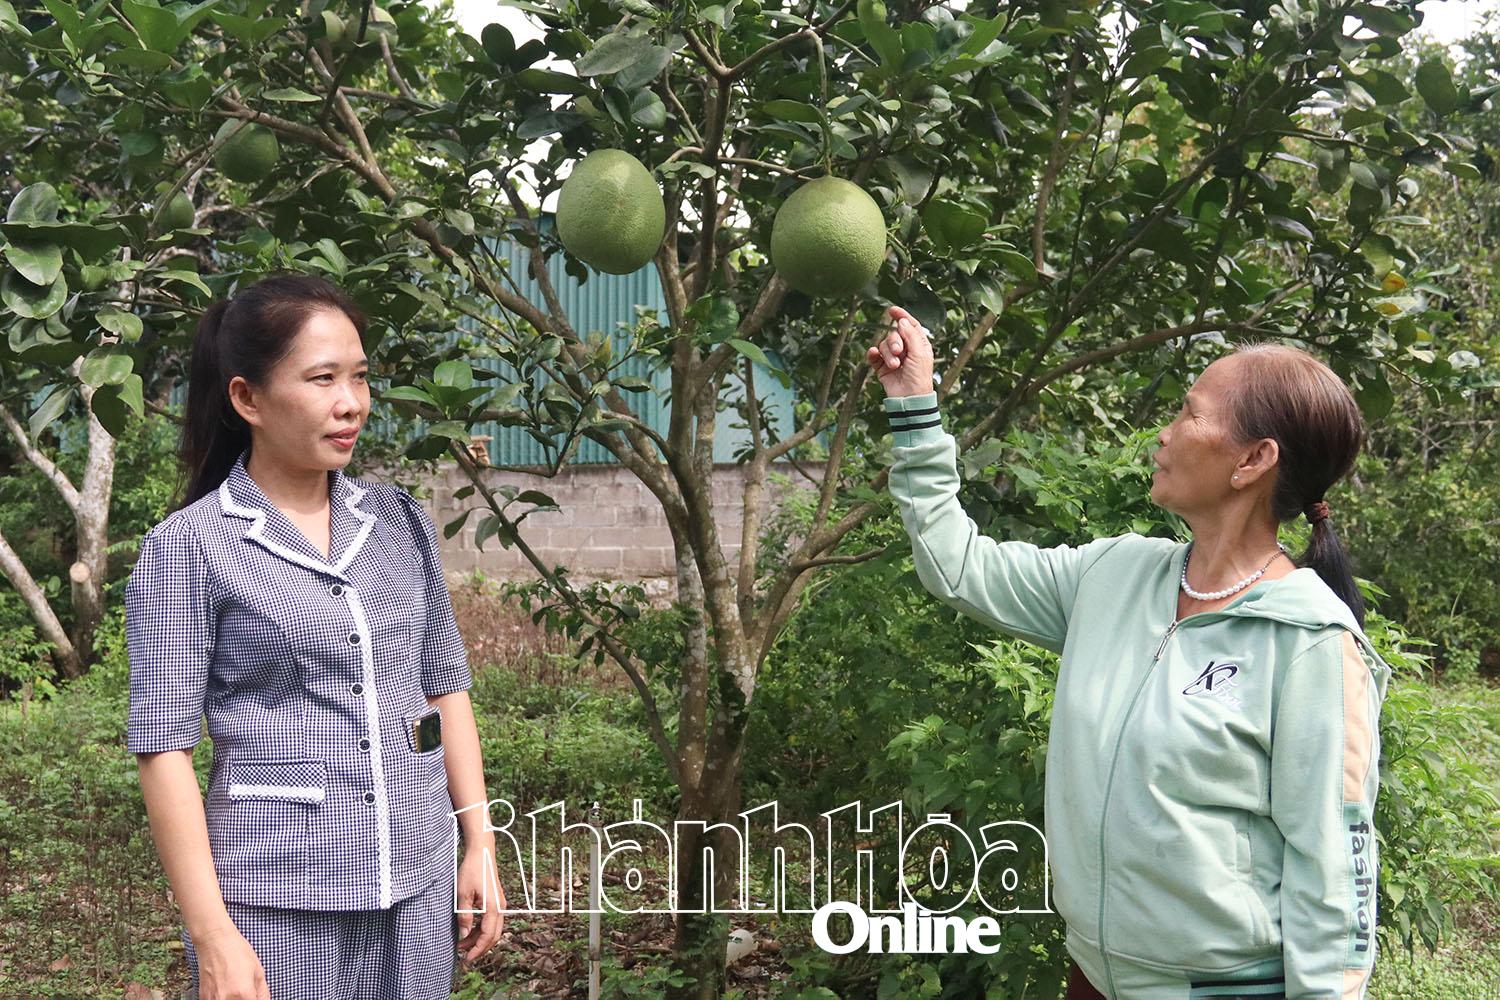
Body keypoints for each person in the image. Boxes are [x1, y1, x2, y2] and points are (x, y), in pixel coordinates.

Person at [868, 305, 1391, 1000]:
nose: (1166, 434)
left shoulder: (1308, 642)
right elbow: (956, 565)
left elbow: (1335, 872)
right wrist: (914, 408)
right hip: (1094, 974)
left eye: (1190, 414)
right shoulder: (1113, 576)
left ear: (1254, 460)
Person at [125, 274, 507, 1000]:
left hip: (418, 878)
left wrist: (478, 841)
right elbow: (164, 745)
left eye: (360, 377)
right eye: (323, 378)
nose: (351, 403)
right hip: (276, 897)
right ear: (248, 399)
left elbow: (443, 686)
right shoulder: (190, 547)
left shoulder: (399, 523)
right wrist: (213, 935)